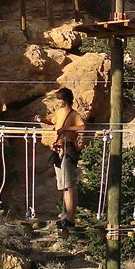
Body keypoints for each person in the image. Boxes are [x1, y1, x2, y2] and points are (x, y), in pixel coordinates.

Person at [35, 88, 85, 228]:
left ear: (66, 100)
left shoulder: (74, 114)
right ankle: (66, 214)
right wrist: (42, 120)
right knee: (63, 185)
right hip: (58, 150)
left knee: (70, 185)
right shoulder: (60, 113)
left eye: (59, 99)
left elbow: (82, 127)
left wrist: (66, 130)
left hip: (68, 150)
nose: (57, 102)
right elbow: (53, 121)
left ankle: (71, 217)